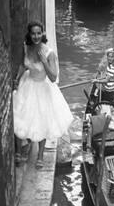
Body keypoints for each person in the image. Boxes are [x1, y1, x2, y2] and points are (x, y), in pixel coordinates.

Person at [12, 21, 73, 169]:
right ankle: (19, 152)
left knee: (42, 120)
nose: (36, 36)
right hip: (27, 84)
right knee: (21, 117)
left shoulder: (49, 52)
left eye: (39, 33)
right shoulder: (26, 47)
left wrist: (45, 62)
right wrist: (17, 78)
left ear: (43, 34)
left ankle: (40, 156)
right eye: (33, 33)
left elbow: (53, 77)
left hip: (42, 87)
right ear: (29, 34)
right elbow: (22, 64)